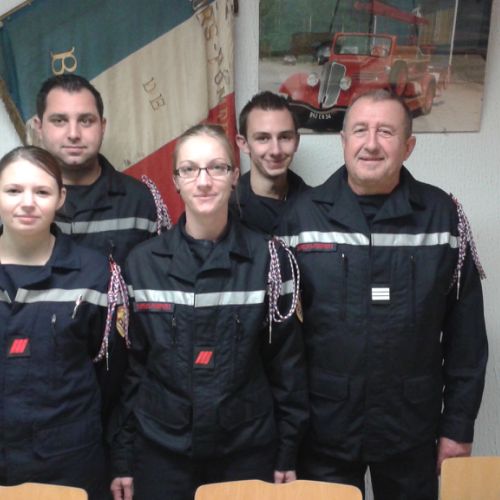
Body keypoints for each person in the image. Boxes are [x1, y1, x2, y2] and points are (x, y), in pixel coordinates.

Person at [280, 90, 488, 500]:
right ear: (344, 141)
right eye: (360, 130)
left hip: (411, 429)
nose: (371, 143)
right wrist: (286, 439)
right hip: (323, 430)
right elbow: (281, 344)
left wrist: (458, 427)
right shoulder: (301, 217)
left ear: (408, 146)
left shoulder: (442, 217)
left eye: (386, 132)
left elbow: (466, 338)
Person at [110, 124, 308, 500]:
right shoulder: (142, 264)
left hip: (246, 451)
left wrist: (288, 451)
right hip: (161, 451)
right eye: (189, 169)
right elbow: (132, 371)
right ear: (176, 180)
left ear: (234, 175)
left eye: (217, 167)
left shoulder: (271, 260)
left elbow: (287, 368)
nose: (203, 181)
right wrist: (123, 456)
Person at [0, 146, 124, 499]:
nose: (27, 203)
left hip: (69, 462)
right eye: (13, 190)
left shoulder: (96, 274)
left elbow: (113, 374)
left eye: (42, 191)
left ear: (61, 198)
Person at [34, 74, 169, 267]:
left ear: (102, 126)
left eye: (86, 121)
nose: (73, 134)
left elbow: (158, 278)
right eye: (59, 120)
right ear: (39, 127)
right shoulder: (14, 202)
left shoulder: (140, 201)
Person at [233, 91, 309, 234]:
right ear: (244, 144)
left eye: (284, 137)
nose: (276, 151)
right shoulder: (225, 209)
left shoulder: (317, 206)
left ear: (296, 142)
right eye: (263, 138)